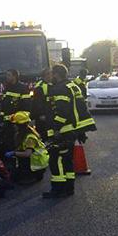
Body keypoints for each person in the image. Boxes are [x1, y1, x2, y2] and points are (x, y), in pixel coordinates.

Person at [43, 64, 96, 198]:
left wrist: (55, 129)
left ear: (56, 74)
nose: (49, 77)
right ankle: (69, 188)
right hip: (72, 129)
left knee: (56, 160)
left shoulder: (60, 88)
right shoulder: (72, 86)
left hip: (63, 130)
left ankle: (58, 189)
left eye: (51, 74)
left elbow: (62, 112)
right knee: (67, 160)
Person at [4, 111, 49, 184]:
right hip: (34, 163)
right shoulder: (23, 133)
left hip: (36, 166)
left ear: (19, 125)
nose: (13, 126)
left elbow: (27, 154)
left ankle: (30, 176)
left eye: (15, 124)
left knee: (15, 177)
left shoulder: (29, 137)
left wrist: (14, 153)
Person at [1, 69, 31, 151]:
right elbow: (4, 105)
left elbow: (26, 106)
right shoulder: (7, 88)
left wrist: (20, 120)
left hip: (19, 124)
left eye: (9, 75)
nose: (7, 77)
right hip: (8, 124)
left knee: (19, 144)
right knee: (8, 144)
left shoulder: (23, 88)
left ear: (15, 76)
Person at [32, 68, 53, 137]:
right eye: (50, 74)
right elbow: (38, 102)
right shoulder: (40, 86)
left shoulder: (50, 84)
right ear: (46, 75)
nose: (52, 75)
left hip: (49, 113)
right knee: (43, 133)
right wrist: (41, 114)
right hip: (42, 115)